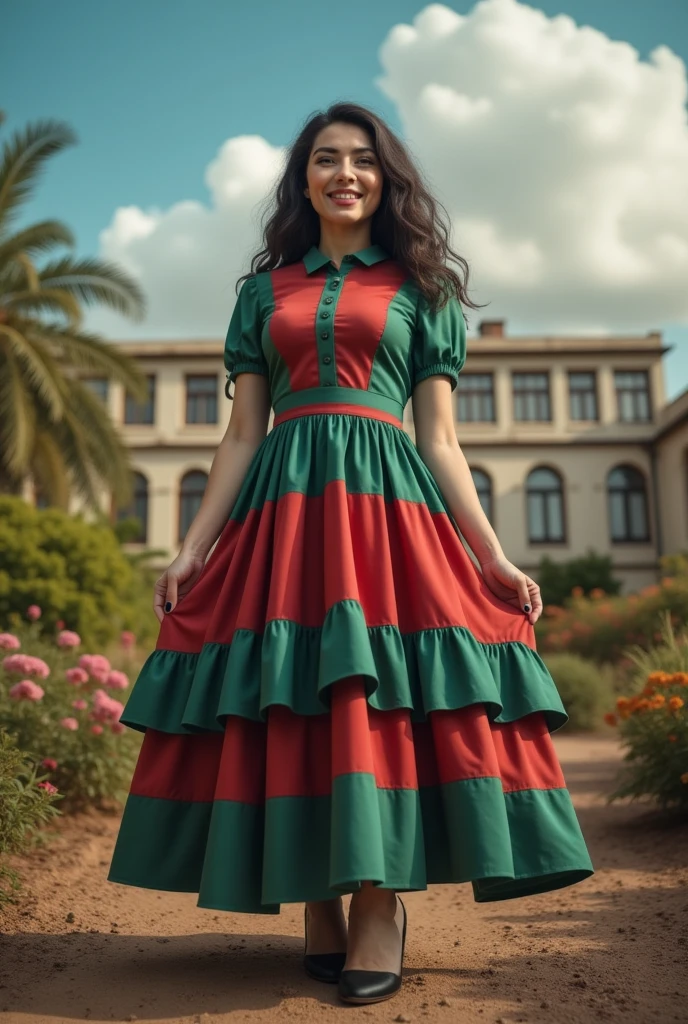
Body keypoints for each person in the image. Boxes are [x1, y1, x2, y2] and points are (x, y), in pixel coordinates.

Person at [108, 101, 594, 1006]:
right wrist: (191, 546)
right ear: (303, 180)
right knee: (293, 695)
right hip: (283, 515)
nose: (344, 174)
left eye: (363, 161)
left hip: (387, 511)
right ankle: (317, 895)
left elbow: (441, 440)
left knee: (377, 697)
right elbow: (241, 435)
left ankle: (378, 904)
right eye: (325, 160)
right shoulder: (263, 294)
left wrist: (490, 556)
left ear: (386, 178)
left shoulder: (424, 293)